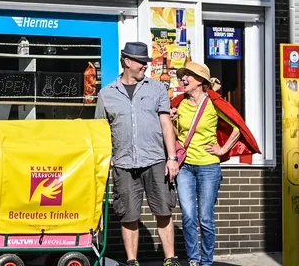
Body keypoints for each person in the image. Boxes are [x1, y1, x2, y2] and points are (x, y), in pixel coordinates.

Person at [95, 42, 181, 266]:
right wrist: (107, 158)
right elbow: (101, 130)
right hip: (123, 163)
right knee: (129, 215)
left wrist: (172, 158)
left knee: (163, 210)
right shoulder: (107, 94)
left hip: (155, 160)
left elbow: (165, 124)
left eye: (146, 62)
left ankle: (170, 259)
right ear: (127, 62)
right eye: (141, 62)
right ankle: (132, 261)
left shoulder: (157, 89)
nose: (145, 66)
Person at [170, 61, 260, 266]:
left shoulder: (213, 103)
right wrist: (173, 121)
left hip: (208, 166)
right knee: (188, 216)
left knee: (205, 218)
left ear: (200, 81)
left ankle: (207, 261)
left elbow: (237, 128)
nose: (183, 79)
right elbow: (176, 135)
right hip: (185, 166)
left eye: (188, 76)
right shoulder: (179, 103)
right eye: (182, 76)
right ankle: (193, 259)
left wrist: (222, 149)